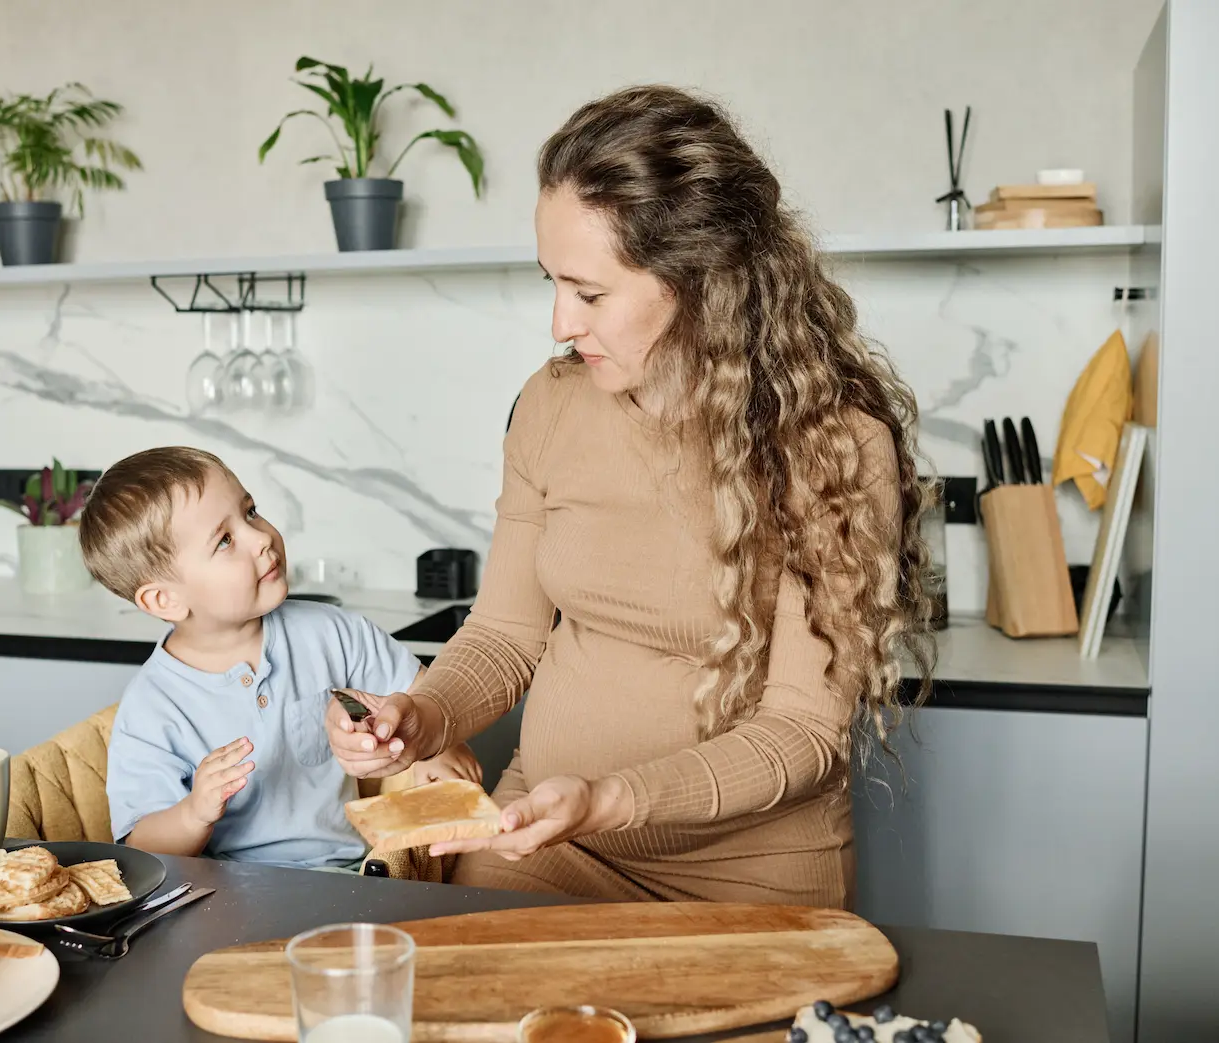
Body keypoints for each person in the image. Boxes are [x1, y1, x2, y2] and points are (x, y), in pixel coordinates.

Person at [325, 85, 936, 906]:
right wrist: (419, 717)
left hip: (748, 875)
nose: (558, 324)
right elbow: (505, 635)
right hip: (540, 840)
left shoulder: (830, 443)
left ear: (698, 279)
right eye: (551, 283)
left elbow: (802, 732)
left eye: (589, 292)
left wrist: (608, 797)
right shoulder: (550, 403)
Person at [79, 446, 480, 868]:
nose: (262, 537)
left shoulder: (331, 632)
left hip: (347, 876)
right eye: (225, 540)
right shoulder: (152, 705)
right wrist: (194, 812)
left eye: (250, 512)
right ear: (165, 599)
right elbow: (141, 847)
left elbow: (427, 697)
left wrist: (441, 748)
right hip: (224, 899)